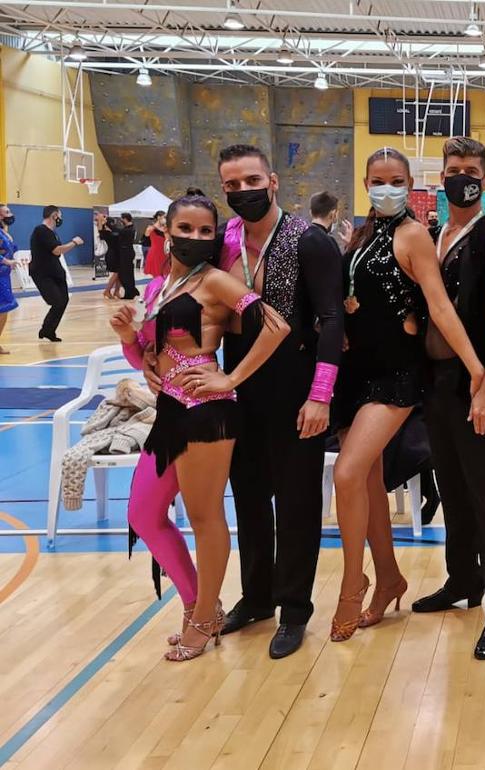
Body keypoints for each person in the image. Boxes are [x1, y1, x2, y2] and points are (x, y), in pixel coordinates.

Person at [112, 189, 290, 662]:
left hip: (206, 412)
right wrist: (130, 340)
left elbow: (277, 326)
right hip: (169, 411)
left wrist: (230, 377)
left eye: (206, 230)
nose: (195, 236)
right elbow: (147, 356)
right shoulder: (157, 287)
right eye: (186, 228)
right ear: (166, 231)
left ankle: (204, 614)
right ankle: (197, 605)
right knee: (144, 513)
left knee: (204, 517)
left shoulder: (215, 282)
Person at [329, 147, 485, 644]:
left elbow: (439, 306)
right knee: (368, 480)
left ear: (410, 186)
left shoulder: (413, 234)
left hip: (396, 374)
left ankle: (352, 585)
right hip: (355, 372)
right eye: (378, 180)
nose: (387, 188)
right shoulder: (361, 234)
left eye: (397, 181)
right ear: (365, 183)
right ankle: (389, 577)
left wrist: (477, 368)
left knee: (347, 472)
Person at [197, 143, 345, 659]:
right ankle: (257, 596)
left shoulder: (309, 241)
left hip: (296, 386)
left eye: (252, 181)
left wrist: (320, 396)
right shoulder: (223, 241)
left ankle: (294, 608)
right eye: (232, 185)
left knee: (297, 501)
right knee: (249, 496)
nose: (243, 191)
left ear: (273, 181)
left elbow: (332, 321)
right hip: (237, 386)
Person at [411, 137, 485, 661]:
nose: (463, 178)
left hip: (476, 385)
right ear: (441, 179)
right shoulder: (433, 235)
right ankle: (463, 580)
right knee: (452, 489)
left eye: (472, 171)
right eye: (454, 170)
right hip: (434, 384)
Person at [30, 205, 84, 342]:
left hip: (56, 271)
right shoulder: (41, 230)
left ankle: (48, 331)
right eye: (60, 215)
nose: (61, 218)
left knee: (63, 301)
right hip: (43, 273)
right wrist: (74, 242)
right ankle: (46, 329)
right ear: (54, 215)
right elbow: (56, 250)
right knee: (56, 301)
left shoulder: (52, 232)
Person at [0, 205, 17, 354]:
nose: (10, 214)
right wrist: (7, 261)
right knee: (3, 309)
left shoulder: (4, 232)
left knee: (4, 311)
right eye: (7, 212)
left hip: (5, 275)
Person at [97, 210, 121, 300]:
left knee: (120, 274)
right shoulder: (107, 233)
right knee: (117, 273)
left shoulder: (115, 231)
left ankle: (117, 291)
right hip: (113, 254)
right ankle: (107, 291)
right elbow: (100, 229)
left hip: (118, 254)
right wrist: (100, 220)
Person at [117, 213, 139, 299]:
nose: (121, 220)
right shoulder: (128, 228)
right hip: (126, 251)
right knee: (127, 273)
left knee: (125, 274)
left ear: (125, 219)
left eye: (121, 219)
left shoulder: (129, 229)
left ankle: (130, 292)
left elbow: (119, 232)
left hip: (127, 252)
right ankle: (131, 291)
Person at [144, 211, 168, 278]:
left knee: (165, 272)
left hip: (164, 252)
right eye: (164, 217)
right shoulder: (151, 228)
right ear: (158, 217)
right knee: (156, 273)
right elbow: (146, 235)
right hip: (155, 252)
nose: (165, 219)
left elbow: (167, 239)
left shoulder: (165, 228)